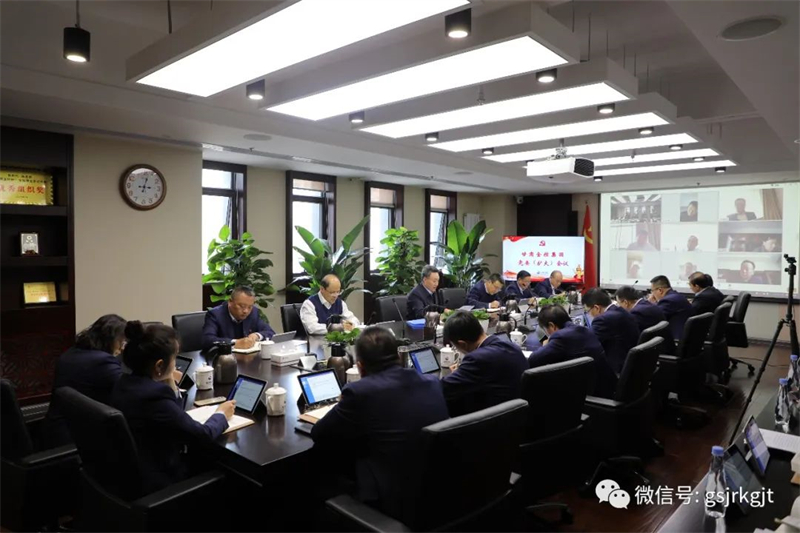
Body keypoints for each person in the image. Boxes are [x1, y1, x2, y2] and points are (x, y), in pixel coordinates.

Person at [311, 327, 448, 523]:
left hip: (391, 498)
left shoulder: (360, 392)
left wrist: (342, 404)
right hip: (437, 490)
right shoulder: (432, 382)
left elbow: (319, 434)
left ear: (360, 367)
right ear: (399, 357)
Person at [111, 322, 235, 494]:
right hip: (163, 481)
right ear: (159, 365)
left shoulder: (124, 382)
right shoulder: (154, 398)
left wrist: (169, 382)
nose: (175, 364)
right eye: (175, 357)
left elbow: (173, 415)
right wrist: (221, 414)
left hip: (129, 475)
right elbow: (202, 435)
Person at [43, 314, 128, 446]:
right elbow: (130, 391)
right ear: (110, 339)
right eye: (121, 342)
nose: (122, 348)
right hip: (77, 439)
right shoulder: (103, 362)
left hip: (56, 428)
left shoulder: (71, 352)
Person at [441, 311, 528, 416]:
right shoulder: (511, 346)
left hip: (498, 420)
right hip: (519, 414)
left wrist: (456, 374)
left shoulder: (477, 359)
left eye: (455, 347)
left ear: (462, 344)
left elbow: (443, 388)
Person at [527, 305, 618, 399]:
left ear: (552, 326)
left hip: (591, 398)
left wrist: (546, 345)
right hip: (607, 389)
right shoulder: (584, 330)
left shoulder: (561, 337)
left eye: (546, 330)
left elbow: (533, 360)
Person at [583, 288, 641, 375]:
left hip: (616, 371)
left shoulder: (603, 320)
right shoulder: (621, 311)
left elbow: (588, 344)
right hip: (631, 367)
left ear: (596, 308)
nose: (589, 314)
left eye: (588, 311)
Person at [202, 285, 275, 351]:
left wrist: (257, 335)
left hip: (247, 358)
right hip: (223, 358)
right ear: (230, 302)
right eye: (242, 306)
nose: (246, 311)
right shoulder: (215, 314)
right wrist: (235, 343)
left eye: (250, 307)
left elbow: (270, 332)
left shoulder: (254, 312)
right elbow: (207, 340)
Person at [615, 285, 674, 353]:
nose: (618, 307)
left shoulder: (637, 313)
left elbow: (631, 337)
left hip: (658, 353)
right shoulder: (648, 304)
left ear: (626, 302)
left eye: (618, 304)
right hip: (663, 347)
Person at [648, 275, 692, 341]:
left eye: (652, 291)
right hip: (685, 337)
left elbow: (654, 318)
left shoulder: (668, 301)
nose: (652, 294)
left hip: (675, 340)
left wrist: (649, 304)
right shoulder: (676, 296)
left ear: (660, 290)